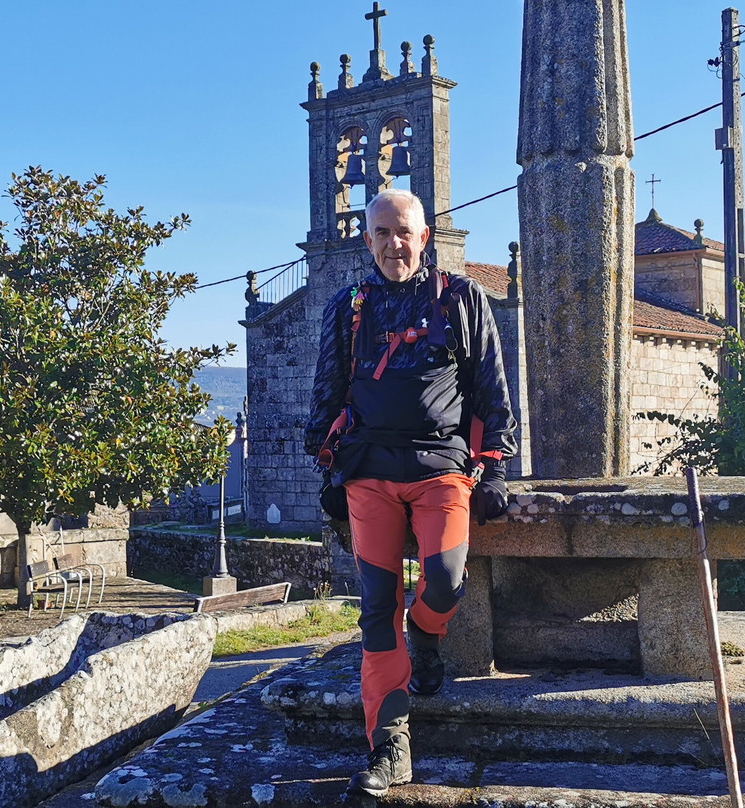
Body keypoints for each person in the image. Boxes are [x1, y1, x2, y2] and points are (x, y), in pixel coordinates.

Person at [305, 188, 517, 798]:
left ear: (424, 236)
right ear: (366, 239)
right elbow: (329, 389)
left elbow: (490, 390)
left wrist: (494, 468)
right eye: (381, 233)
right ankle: (390, 745)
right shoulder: (347, 307)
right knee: (375, 608)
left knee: (447, 581)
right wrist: (328, 474)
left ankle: (426, 635)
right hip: (369, 469)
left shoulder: (461, 298)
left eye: (404, 232)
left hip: (441, 466)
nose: (393, 244)